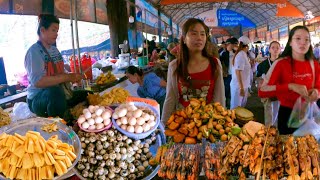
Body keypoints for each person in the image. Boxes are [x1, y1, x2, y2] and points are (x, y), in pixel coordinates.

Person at [161, 18, 225, 123]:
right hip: (183, 124)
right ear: (184, 39)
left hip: (208, 123)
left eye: (202, 34)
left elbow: (220, 97)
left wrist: (221, 123)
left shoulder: (215, 64)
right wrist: (163, 125)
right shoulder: (175, 66)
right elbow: (170, 98)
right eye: (194, 34)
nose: (199, 38)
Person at [259, 26, 320, 134]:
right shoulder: (281, 63)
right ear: (290, 42)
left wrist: (316, 92)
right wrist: (290, 86)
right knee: (288, 148)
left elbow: (318, 87)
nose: (303, 43)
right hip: (287, 115)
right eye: (298, 38)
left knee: (310, 148)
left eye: (307, 39)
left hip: (309, 114)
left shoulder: (314, 64)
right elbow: (262, 91)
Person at [25, 14, 87, 119]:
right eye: (53, 30)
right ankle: (62, 124)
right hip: (38, 99)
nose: (56, 34)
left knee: (87, 95)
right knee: (55, 92)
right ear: (43, 30)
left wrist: (73, 77)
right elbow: (38, 82)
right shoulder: (34, 52)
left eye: (57, 31)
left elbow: (61, 73)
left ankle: (70, 114)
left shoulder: (55, 51)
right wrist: (67, 77)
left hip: (58, 94)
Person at [256, 41, 281, 126]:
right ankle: (268, 134)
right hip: (267, 93)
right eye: (273, 47)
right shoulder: (263, 65)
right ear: (269, 50)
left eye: (277, 47)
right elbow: (258, 77)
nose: (275, 50)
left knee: (279, 115)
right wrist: (260, 84)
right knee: (269, 115)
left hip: (280, 92)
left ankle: (278, 134)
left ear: (280, 50)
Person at [230, 36, 252, 109]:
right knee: (236, 109)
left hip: (242, 85)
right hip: (238, 87)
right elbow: (238, 72)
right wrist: (241, 88)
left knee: (240, 108)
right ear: (247, 46)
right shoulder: (241, 55)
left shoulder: (242, 54)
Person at [220, 37, 238, 108]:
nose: (235, 46)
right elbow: (217, 58)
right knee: (226, 91)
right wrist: (221, 48)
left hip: (235, 75)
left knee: (234, 91)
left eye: (236, 44)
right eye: (234, 44)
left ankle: (232, 106)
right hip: (227, 76)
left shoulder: (237, 53)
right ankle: (226, 106)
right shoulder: (224, 53)